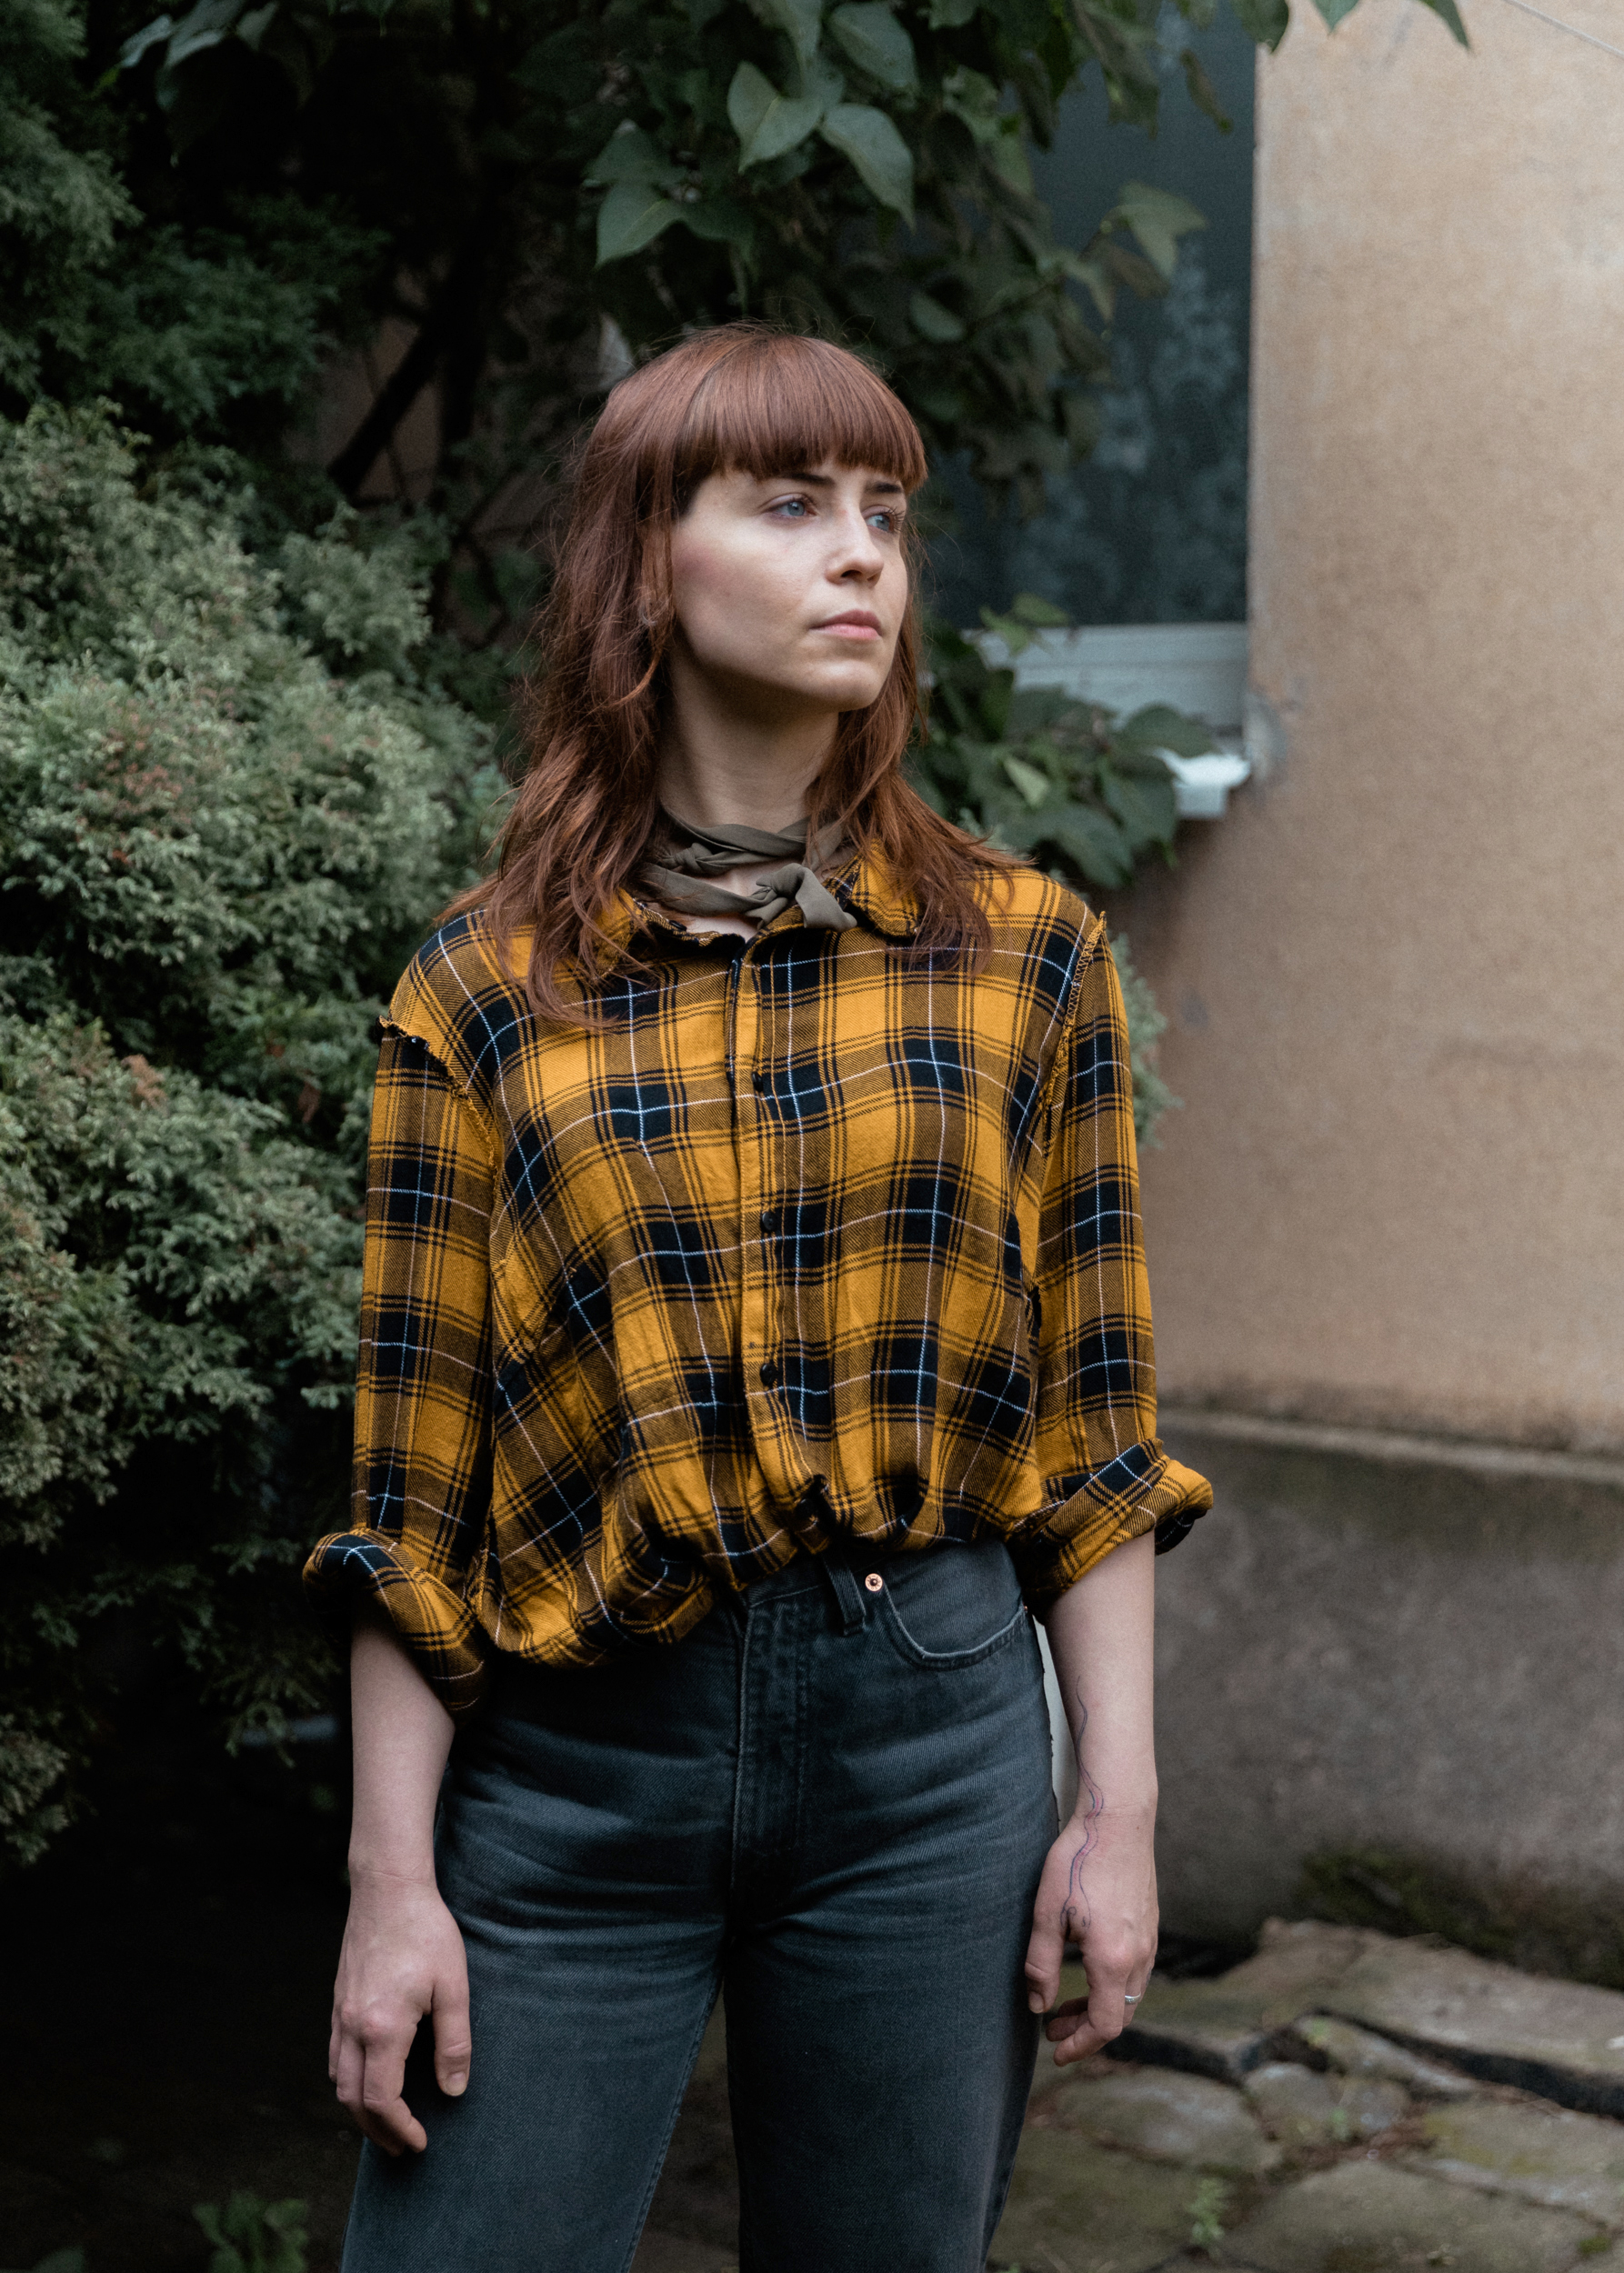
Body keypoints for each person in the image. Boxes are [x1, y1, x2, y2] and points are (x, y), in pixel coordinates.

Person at [305, 322, 1211, 2273]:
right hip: (571, 1773)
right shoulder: (479, 994)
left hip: (930, 1753)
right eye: (790, 502)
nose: (860, 552)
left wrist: (1113, 1810)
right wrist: (393, 1883)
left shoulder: (1021, 958)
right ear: (646, 560)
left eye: (883, 510)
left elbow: (1091, 1436)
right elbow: (408, 1504)